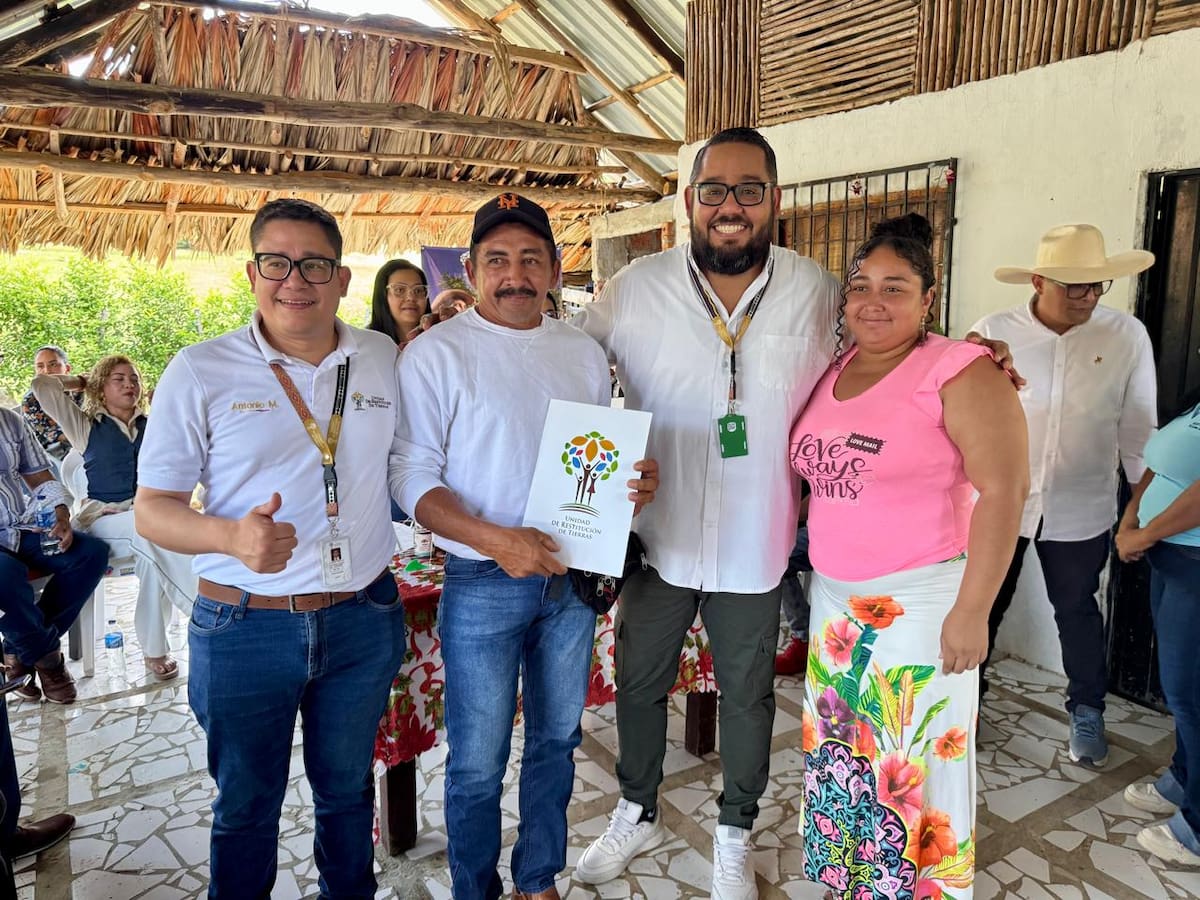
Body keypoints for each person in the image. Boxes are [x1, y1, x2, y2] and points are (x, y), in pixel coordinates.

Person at [572, 128, 1013, 900]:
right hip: (657, 538)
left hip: (759, 541)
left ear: (774, 200)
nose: (730, 206)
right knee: (636, 682)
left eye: (749, 190)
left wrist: (979, 356)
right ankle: (637, 808)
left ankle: (735, 832)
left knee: (746, 696)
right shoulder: (634, 287)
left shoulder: (817, 290)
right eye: (714, 190)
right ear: (690, 201)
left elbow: (898, 353)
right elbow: (570, 369)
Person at [133, 198, 407, 897]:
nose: (295, 280)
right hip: (243, 623)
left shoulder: (380, 357)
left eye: (314, 264)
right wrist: (230, 536)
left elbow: (427, 457)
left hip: (362, 617)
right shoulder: (200, 370)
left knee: (347, 796)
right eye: (277, 263)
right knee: (246, 808)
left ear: (342, 279)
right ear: (251, 274)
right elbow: (152, 512)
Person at [392, 192, 658, 900]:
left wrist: (628, 482)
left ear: (554, 267)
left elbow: (590, 456)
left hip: (568, 584)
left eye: (530, 258)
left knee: (556, 741)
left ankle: (537, 877)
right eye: (498, 259)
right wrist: (495, 541)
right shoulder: (435, 355)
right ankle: (474, 888)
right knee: (477, 762)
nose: (515, 274)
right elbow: (410, 475)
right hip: (482, 583)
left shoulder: (581, 352)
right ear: (473, 268)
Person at [792, 214, 1028, 899]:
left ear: (930, 298)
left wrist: (973, 611)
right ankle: (857, 880)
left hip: (923, 603)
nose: (873, 300)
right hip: (836, 604)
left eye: (895, 287)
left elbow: (1005, 490)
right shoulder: (835, 366)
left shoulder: (962, 371)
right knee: (845, 751)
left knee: (914, 756)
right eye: (861, 284)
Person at [972, 224, 1157, 768]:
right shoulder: (994, 332)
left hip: (1082, 504)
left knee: (1077, 609)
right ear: (1037, 281)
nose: (1088, 297)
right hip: (1003, 502)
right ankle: (967, 703)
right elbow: (967, 418)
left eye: (1097, 286)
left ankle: (1086, 708)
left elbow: (1139, 428)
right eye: (1074, 286)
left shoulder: (1127, 336)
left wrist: (1138, 508)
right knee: (983, 604)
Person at [33, 355, 196, 681]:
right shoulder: (86, 426)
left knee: (153, 550)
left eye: (133, 378)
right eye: (118, 379)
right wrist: (83, 382)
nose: (129, 385)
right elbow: (42, 386)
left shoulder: (154, 424)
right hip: (103, 521)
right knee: (153, 533)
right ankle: (206, 613)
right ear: (101, 387)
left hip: (145, 521)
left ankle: (154, 650)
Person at [1116, 401, 1200, 866]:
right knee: (1182, 691)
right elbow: (1160, 462)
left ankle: (1196, 831)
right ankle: (1184, 779)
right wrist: (1133, 515)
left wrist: (1144, 535)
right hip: (1171, 556)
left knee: (1191, 695)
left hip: (1194, 563)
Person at [0, 405, 109, 704]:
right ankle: (49, 662)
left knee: (90, 553)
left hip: (21, 527)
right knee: (4, 576)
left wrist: (60, 514)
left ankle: (18, 652)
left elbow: (41, 479)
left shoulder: (9, 421)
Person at [21, 345, 81, 461]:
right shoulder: (31, 401)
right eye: (40, 366)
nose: (47, 371)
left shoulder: (78, 390)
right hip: (56, 452)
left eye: (53, 364)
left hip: (87, 440)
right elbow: (54, 435)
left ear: (67, 368)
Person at [367, 258, 430, 348]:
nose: (411, 298)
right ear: (382, 295)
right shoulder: (367, 345)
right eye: (400, 290)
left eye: (418, 290)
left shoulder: (438, 340)